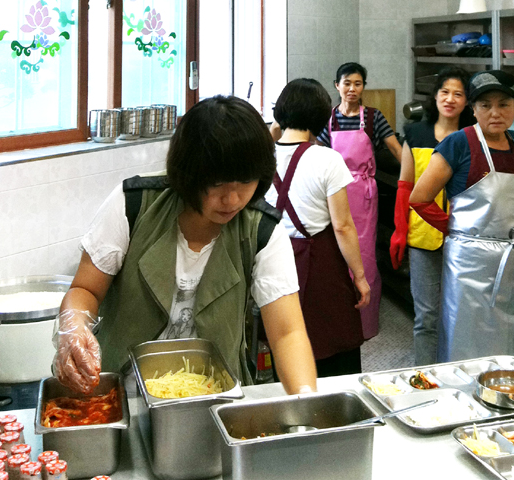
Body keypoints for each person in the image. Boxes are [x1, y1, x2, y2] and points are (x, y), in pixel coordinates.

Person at [52, 96, 317, 395]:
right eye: (217, 184)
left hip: (214, 396)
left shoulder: (263, 231)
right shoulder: (133, 204)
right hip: (121, 392)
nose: (231, 200)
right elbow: (85, 289)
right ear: (189, 174)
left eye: (244, 182)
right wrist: (73, 327)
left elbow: (287, 333)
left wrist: (305, 400)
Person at [409, 70, 514, 363]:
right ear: (473, 109)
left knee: (512, 342)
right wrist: (458, 230)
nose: (495, 113)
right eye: (485, 105)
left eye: (504, 104)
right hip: (469, 264)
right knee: (464, 342)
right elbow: (419, 198)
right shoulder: (458, 144)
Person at [267, 78, 370, 377]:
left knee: (283, 341)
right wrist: (360, 277)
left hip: (275, 261)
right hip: (320, 263)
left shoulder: (263, 157)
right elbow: (343, 227)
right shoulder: (327, 159)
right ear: (320, 115)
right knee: (333, 344)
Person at [389, 67, 475, 366]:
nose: (450, 99)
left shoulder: (472, 137)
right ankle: (426, 375)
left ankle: (458, 369)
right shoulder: (416, 133)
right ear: (435, 97)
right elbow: (405, 185)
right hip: (423, 236)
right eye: (444, 92)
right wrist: (400, 230)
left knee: (461, 313)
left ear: (467, 101)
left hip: (466, 238)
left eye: (458, 94)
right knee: (426, 316)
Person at [316, 62, 403, 340]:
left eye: (358, 83)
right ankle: (339, 321)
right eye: (347, 83)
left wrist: (414, 181)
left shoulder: (374, 117)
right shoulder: (327, 120)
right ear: (336, 86)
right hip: (333, 193)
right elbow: (315, 156)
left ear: (363, 86)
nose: (352, 89)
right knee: (335, 252)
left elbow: (395, 149)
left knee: (363, 256)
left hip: (364, 196)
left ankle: (365, 324)